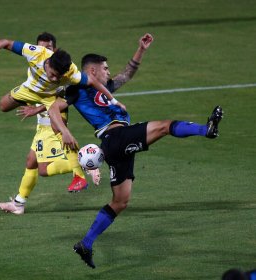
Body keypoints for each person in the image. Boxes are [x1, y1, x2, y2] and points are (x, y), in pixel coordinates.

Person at [47, 33, 224, 268]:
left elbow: (127, 74)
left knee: (120, 202)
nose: (109, 72)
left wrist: (141, 49)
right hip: (115, 136)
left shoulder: (104, 87)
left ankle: (86, 243)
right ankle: (206, 130)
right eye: (105, 68)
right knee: (164, 126)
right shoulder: (77, 89)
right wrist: (65, 133)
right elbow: (52, 110)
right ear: (92, 70)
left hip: (115, 147)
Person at [0, 33, 121, 206]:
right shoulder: (36, 53)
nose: (56, 79)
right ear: (48, 63)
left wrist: (114, 101)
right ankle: (19, 203)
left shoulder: (71, 72)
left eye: (59, 76)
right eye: (53, 74)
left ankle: (79, 174)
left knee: (60, 130)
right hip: (30, 90)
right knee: (3, 106)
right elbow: (9, 43)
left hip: (50, 99)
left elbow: (93, 82)